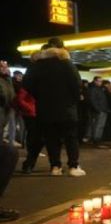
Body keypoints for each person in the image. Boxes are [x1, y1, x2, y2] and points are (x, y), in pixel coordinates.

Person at [22, 38, 85, 176]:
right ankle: (73, 166)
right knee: (71, 137)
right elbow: (77, 84)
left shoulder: (37, 65)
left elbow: (27, 84)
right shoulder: (66, 63)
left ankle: (55, 167)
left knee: (51, 138)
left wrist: (40, 97)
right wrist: (73, 99)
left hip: (45, 109)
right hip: (67, 108)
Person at [85, 76, 110, 144]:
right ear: (95, 81)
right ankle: (96, 138)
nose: (100, 82)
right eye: (99, 81)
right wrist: (98, 109)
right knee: (99, 125)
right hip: (100, 110)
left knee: (96, 124)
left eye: (101, 81)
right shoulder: (94, 89)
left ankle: (94, 137)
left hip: (100, 109)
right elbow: (92, 100)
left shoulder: (98, 88)